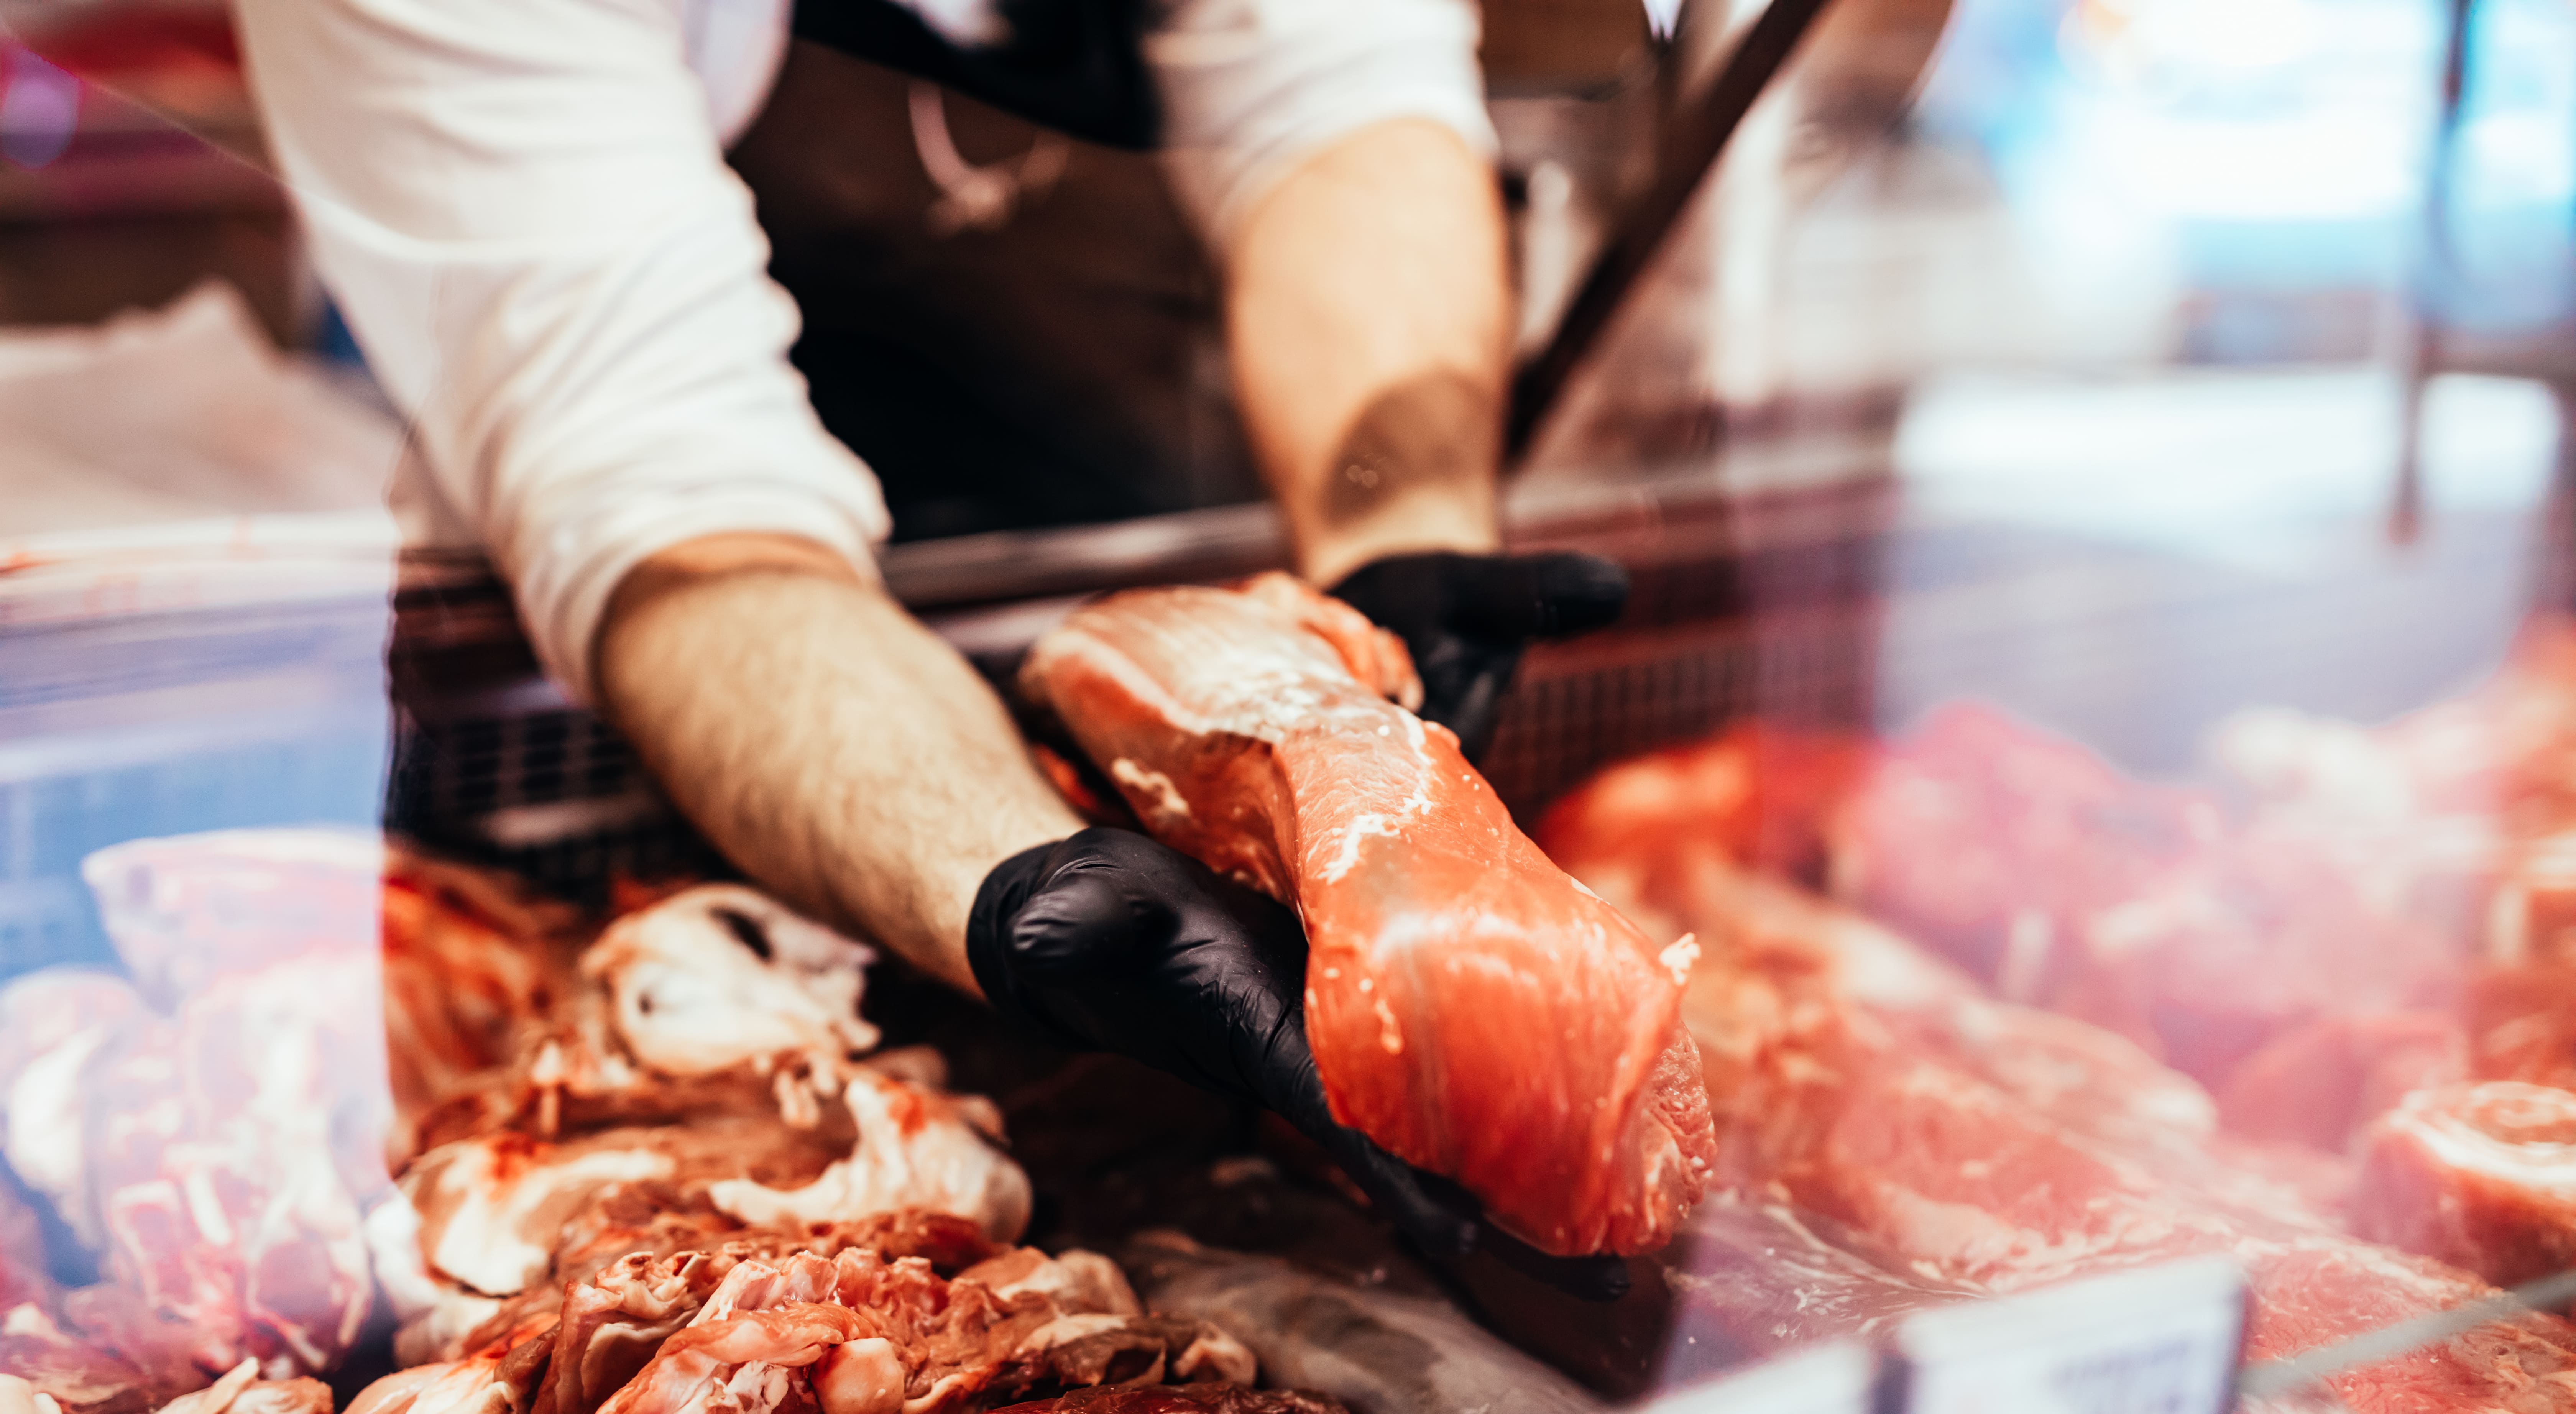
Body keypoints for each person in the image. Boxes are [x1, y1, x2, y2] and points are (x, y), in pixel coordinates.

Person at [232, 0, 1628, 1288]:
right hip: (706, 682)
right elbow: (676, 513)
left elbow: (1339, 102)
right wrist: (1010, 873)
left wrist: (1396, 524)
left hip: (1088, 558)